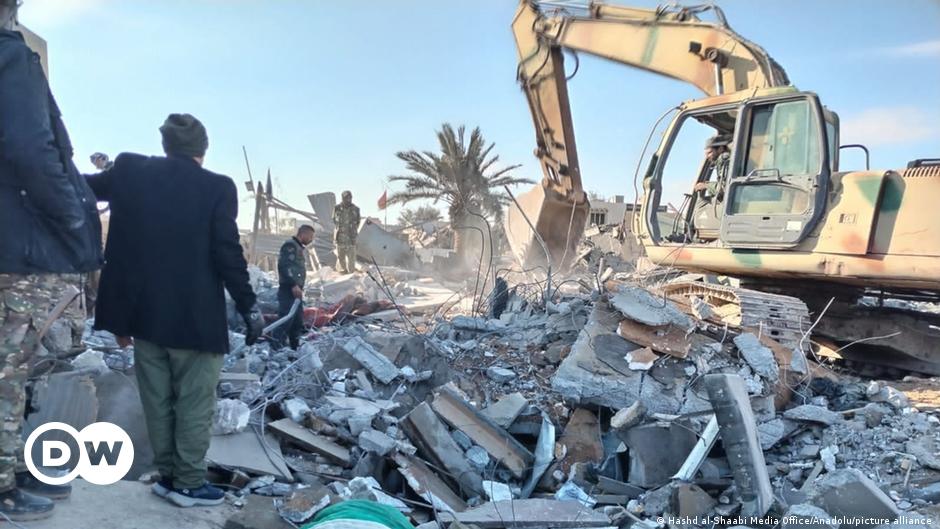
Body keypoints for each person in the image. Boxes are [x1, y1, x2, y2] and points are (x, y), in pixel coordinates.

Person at [86, 113, 263, 508]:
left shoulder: (131, 171)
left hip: (144, 319)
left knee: (158, 402)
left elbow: (78, 188)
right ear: (203, 149)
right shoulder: (217, 187)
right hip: (195, 323)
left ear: (166, 145)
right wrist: (249, 306)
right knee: (194, 404)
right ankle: (188, 483)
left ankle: (168, 476)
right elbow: (228, 253)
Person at [0, 1, 103, 520]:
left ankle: (11, 466)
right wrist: (71, 216)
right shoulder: (10, 55)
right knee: (11, 367)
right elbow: (31, 148)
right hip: (18, 251)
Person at [276, 225, 314, 350]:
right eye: (310, 236)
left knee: (297, 322)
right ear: (303, 234)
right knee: (285, 320)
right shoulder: (290, 246)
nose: (311, 239)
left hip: (296, 291)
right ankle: (276, 347)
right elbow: (284, 266)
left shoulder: (298, 247)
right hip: (289, 290)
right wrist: (293, 285)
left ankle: (294, 349)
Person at [693, 134, 732, 198]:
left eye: (709, 152)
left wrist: (706, 186)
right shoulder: (726, 159)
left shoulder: (725, 159)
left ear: (720, 149)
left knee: (701, 203)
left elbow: (725, 188)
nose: (707, 156)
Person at [332, 190, 360, 274]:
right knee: (341, 257)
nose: (348, 199)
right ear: (342, 198)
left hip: (351, 238)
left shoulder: (356, 209)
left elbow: (358, 222)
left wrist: (352, 230)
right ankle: (342, 273)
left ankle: (351, 274)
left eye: (350, 198)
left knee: (351, 259)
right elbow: (334, 220)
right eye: (346, 198)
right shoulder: (337, 208)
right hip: (340, 238)